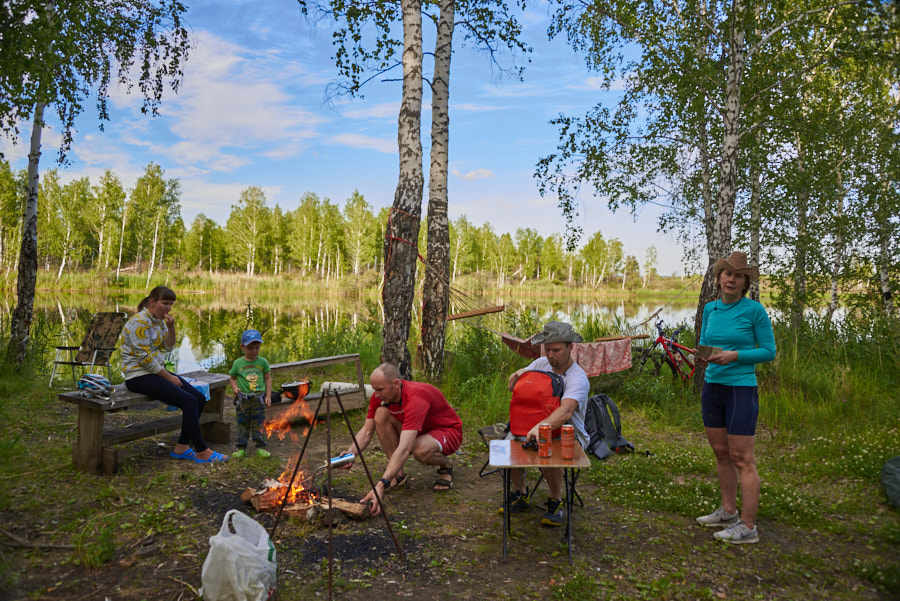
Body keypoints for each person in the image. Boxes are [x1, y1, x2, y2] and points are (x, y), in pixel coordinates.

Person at [695, 251, 776, 544]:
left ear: (745, 283)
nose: (731, 279)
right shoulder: (710, 309)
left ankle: (748, 526)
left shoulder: (754, 311)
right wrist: (702, 357)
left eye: (738, 276)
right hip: (712, 388)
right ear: (718, 279)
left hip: (741, 390)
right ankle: (728, 510)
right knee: (721, 454)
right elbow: (707, 345)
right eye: (727, 273)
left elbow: (768, 352)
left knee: (743, 458)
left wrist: (734, 356)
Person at [121, 286, 228, 464]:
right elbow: (145, 359)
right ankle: (202, 451)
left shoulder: (159, 321)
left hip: (153, 372)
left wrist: (171, 327)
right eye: (165, 303)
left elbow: (168, 347)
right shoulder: (138, 322)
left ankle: (182, 447)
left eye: (171, 304)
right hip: (137, 376)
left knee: (199, 398)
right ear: (152, 302)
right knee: (188, 401)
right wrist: (169, 377)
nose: (168, 308)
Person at [341, 363, 463, 516]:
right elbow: (366, 431)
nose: (376, 395)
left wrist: (381, 484)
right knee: (380, 414)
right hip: (418, 430)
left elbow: (405, 448)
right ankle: (398, 475)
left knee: (418, 449)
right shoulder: (380, 397)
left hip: (447, 431)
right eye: (374, 389)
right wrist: (350, 453)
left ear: (396, 384)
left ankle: (446, 465)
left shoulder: (416, 398)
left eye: (380, 389)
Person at [505, 321, 590, 527]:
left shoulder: (578, 378)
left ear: (570, 348)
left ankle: (556, 501)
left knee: (548, 441)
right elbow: (511, 388)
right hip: (532, 426)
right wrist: (517, 375)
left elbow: (566, 411)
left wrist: (539, 428)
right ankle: (520, 492)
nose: (551, 355)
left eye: (557, 350)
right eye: (548, 349)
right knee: (512, 438)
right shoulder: (541, 364)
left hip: (569, 433)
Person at [229, 329, 273, 459]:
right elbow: (232, 378)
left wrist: (268, 395)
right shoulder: (238, 363)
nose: (254, 350)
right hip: (243, 399)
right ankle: (241, 447)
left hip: (259, 397)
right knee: (242, 422)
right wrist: (235, 387)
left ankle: (260, 447)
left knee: (259, 422)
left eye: (257, 347)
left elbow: (267, 378)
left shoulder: (262, 362)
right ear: (242, 347)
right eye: (250, 348)